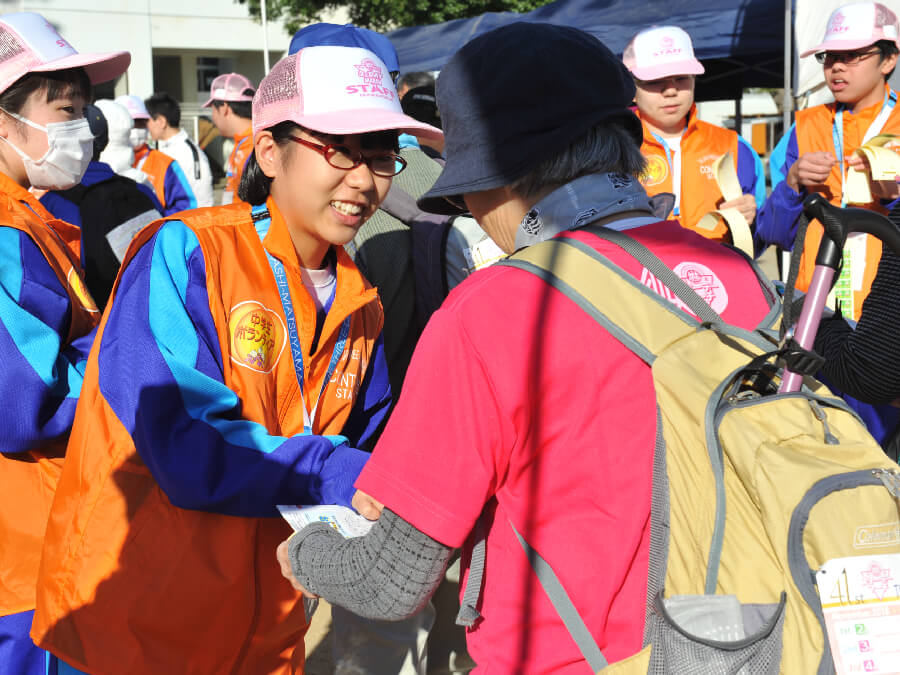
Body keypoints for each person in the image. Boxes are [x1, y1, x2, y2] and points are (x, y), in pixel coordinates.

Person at [277, 22, 776, 673]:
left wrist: (305, 551)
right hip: (734, 645)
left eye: (466, 189)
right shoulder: (734, 277)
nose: (473, 212)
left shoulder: (492, 310)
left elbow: (391, 580)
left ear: (502, 178)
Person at [31, 44, 440, 675]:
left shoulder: (362, 303)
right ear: (270, 153)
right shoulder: (188, 253)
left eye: (381, 155)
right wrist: (342, 473)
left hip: (267, 625)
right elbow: (186, 443)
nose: (363, 179)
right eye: (339, 149)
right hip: (141, 624)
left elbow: (372, 439)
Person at [0, 11, 129, 674]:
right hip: (26, 553)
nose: (82, 127)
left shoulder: (34, 215)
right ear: (2, 121)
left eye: (85, 108)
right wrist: (127, 352)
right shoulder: (5, 229)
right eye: (65, 109)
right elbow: (24, 402)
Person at [757, 1, 900, 321]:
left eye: (851, 56)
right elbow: (773, 232)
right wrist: (792, 184)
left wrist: (892, 197)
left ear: (889, 59)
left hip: (886, 313)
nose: (836, 67)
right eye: (829, 57)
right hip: (815, 309)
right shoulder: (802, 128)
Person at [623, 25, 765, 243]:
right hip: (636, 275)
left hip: (717, 273)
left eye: (681, 78)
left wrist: (753, 220)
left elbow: (764, 236)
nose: (670, 90)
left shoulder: (734, 146)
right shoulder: (611, 151)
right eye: (654, 80)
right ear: (631, 88)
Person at [40, 103, 163, 308]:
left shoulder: (52, 204)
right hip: (149, 310)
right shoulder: (141, 190)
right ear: (105, 141)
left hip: (96, 326)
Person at [117, 92, 198, 215]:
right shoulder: (103, 162)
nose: (136, 129)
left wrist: (158, 223)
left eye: (141, 123)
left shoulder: (165, 164)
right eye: (132, 123)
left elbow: (186, 207)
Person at [145, 91, 214, 208]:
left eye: (147, 120)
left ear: (161, 121)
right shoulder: (161, 148)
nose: (146, 126)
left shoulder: (189, 153)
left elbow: (203, 201)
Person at [203, 72, 255, 204]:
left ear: (224, 108)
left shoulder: (257, 144)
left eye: (213, 110)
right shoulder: (242, 141)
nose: (213, 117)